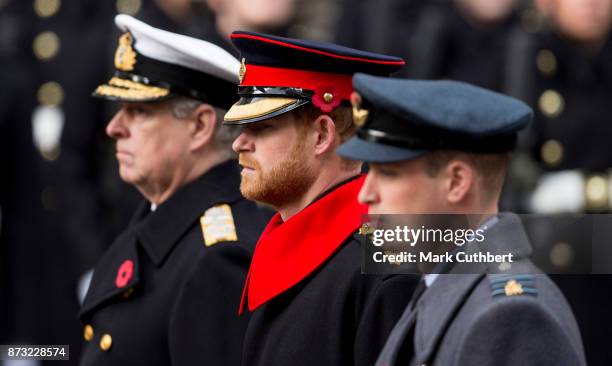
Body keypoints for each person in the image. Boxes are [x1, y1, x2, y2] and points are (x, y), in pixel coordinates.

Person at [336, 74, 586, 365]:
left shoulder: (508, 315)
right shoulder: (442, 282)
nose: (366, 194)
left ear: (456, 182)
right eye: (370, 172)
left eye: (388, 174)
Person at [78, 15, 270, 365]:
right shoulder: (158, 217)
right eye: (120, 109)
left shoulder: (217, 259)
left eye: (138, 112)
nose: (114, 127)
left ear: (199, 126)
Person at [222, 31, 418, 366]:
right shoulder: (285, 246)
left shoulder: (380, 267)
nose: (239, 144)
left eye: (264, 127)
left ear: (322, 135)